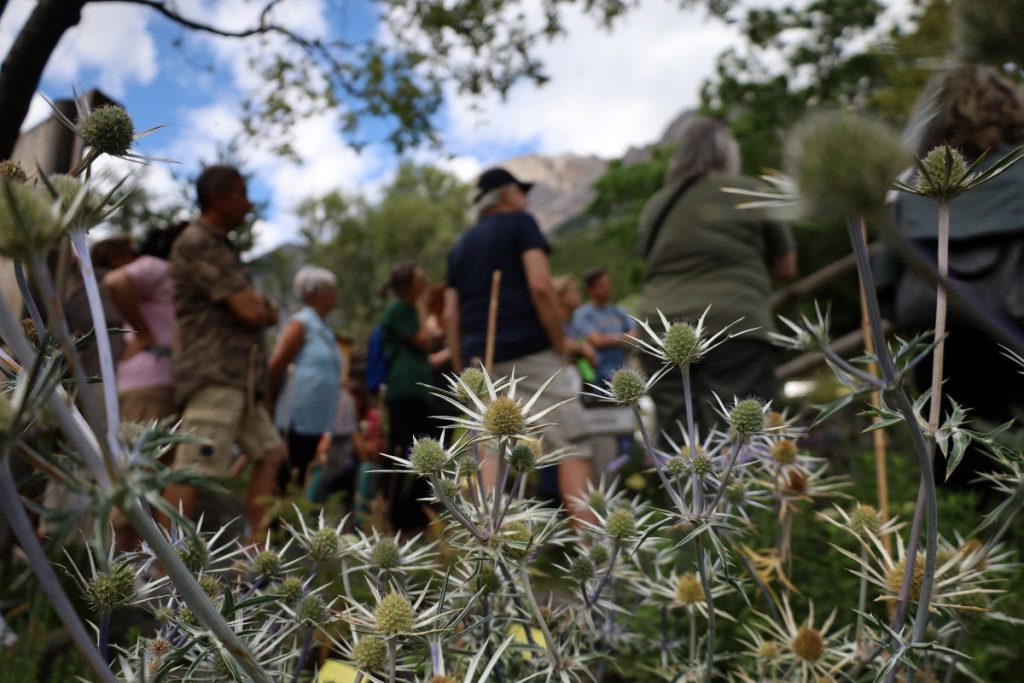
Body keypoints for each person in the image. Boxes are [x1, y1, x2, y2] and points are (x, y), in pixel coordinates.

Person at [884, 65, 1024, 485]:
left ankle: (965, 543)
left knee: (953, 457)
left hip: (938, 341)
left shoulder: (911, 185)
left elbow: (884, 285)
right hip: (1015, 332)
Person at [444, 167, 594, 520]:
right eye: (522, 191)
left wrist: (460, 370)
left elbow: (451, 315)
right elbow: (541, 285)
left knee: (490, 452)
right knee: (572, 444)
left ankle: (487, 549)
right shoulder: (521, 223)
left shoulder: (459, 247)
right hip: (531, 352)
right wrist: (560, 343)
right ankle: (596, 550)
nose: (525, 199)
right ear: (507, 193)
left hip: (479, 360)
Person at [637, 118, 796, 443]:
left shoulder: (655, 206)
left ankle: (682, 495)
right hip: (734, 324)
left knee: (678, 442)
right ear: (727, 152)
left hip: (658, 330)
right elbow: (786, 266)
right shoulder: (749, 190)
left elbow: (647, 260)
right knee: (742, 436)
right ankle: (745, 490)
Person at [163, 165, 284, 541]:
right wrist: (262, 307)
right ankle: (168, 570)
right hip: (214, 372)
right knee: (193, 468)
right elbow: (250, 310)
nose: (248, 203)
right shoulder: (199, 241)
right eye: (242, 193)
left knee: (271, 454)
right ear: (218, 197)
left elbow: (256, 307)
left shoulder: (217, 244)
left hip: (238, 379)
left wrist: (259, 305)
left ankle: (257, 555)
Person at [267, 265, 343, 493]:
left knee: (301, 476)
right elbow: (276, 366)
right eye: (330, 288)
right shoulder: (300, 324)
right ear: (313, 293)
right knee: (286, 474)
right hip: (295, 419)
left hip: (316, 422)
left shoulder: (324, 330)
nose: (335, 293)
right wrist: (270, 404)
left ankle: (289, 523)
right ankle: (273, 525)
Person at [104, 222, 186, 426]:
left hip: (162, 383)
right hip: (149, 383)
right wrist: (144, 334)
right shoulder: (155, 265)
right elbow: (115, 282)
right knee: (146, 456)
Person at [379, 262, 439, 531]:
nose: (425, 284)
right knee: (402, 448)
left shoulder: (407, 311)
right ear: (410, 285)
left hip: (418, 390)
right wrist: (425, 308)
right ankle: (389, 511)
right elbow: (424, 341)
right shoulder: (400, 310)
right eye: (421, 279)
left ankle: (412, 514)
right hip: (406, 390)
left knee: (421, 448)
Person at [572, 267, 635, 385]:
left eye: (609, 283)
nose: (608, 287)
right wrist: (627, 337)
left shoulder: (620, 311)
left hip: (625, 374)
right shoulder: (583, 314)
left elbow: (637, 334)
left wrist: (609, 339)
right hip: (599, 379)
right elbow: (598, 341)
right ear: (591, 289)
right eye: (603, 284)